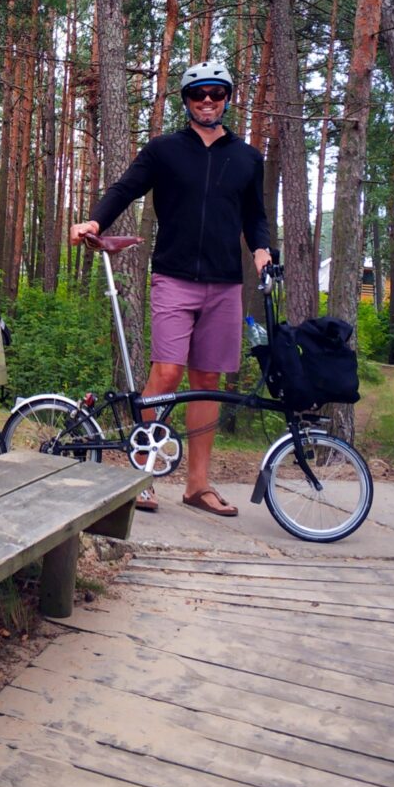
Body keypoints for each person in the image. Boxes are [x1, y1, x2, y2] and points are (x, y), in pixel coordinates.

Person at [70, 60, 272, 515]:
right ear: (186, 100)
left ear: (227, 98)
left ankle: (197, 485)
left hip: (225, 284)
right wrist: (95, 221)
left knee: (207, 382)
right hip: (174, 278)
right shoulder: (164, 150)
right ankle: (142, 476)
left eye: (216, 93)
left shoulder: (247, 158)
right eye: (198, 93)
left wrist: (262, 249)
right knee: (167, 373)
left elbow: (255, 216)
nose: (207, 101)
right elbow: (125, 188)